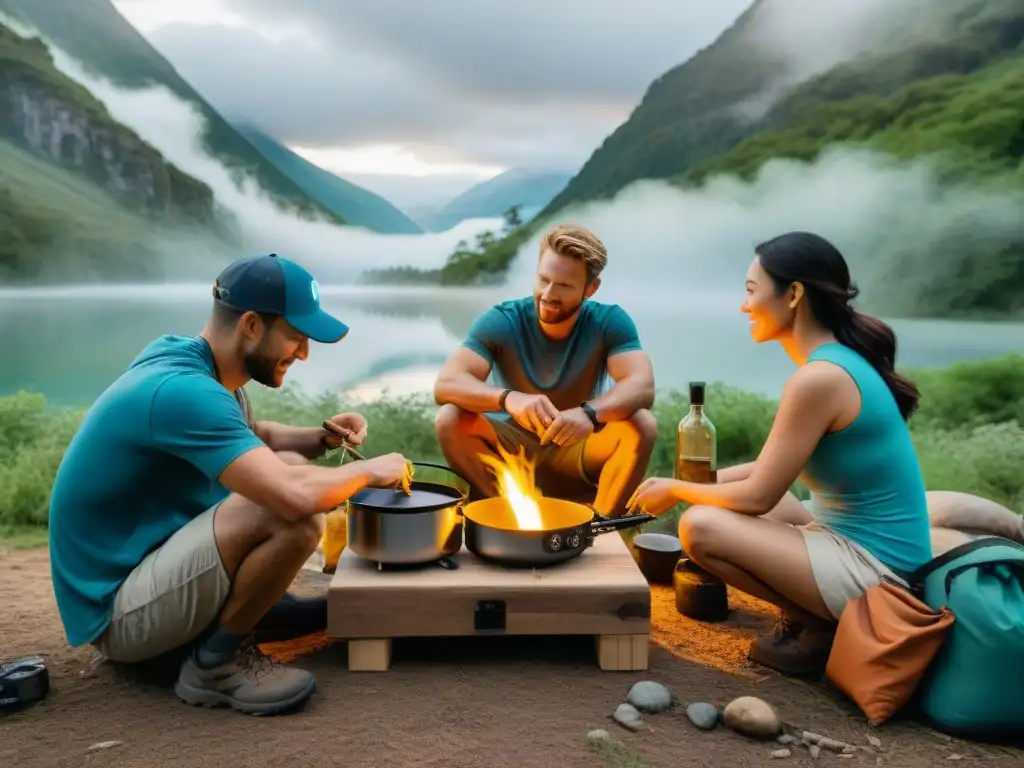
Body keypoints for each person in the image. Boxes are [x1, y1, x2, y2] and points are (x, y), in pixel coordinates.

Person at [48, 253, 413, 716]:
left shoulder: (194, 361)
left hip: (145, 575)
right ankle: (214, 666)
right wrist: (370, 470)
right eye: (297, 337)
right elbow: (293, 495)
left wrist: (320, 439)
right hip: (120, 616)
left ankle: (255, 608)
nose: (304, 353)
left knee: (281, 464)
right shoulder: (184, 392)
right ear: (252, 325)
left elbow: (253, 436)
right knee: (291, 512)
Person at [627, 231, 934, 678]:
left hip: (882, 578)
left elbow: (757, 497)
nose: (743, 305)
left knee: (701, 527)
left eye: (751, 291)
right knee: (771, 504)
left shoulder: (820, 379)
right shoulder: (838, 362)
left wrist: (678, 491)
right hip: (871, 552)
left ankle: (819, 626)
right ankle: (818, 617)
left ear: (792, 294)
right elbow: (774, 469)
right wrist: (690, 484)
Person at [433, 223, 657, 517]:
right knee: (450, 417)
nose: (548, 294)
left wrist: (589, 413)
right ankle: (502, 514)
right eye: (543, 280)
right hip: (512, 445)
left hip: (578, 444)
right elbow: (447, 383)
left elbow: (641, 384)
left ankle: (600, 527)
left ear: (591, 288)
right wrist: (508, 399)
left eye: (564, 285)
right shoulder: (502, 319)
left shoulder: (609, 321)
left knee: (641, 425)